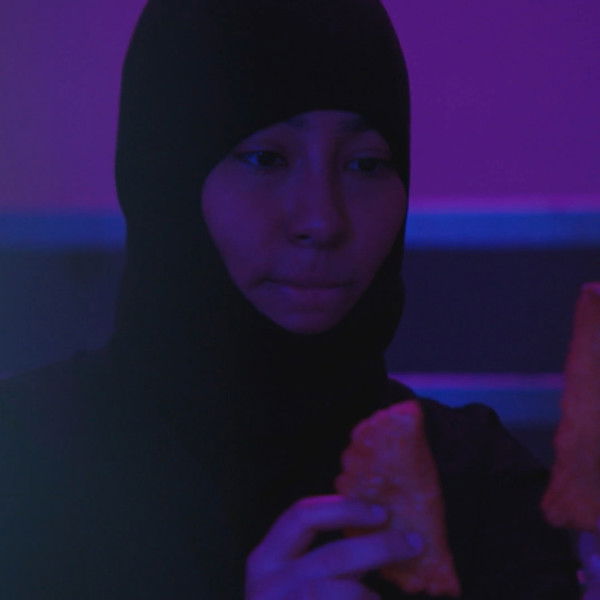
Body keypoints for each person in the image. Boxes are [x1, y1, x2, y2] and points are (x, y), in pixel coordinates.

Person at [0, 0, 582, 597]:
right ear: (165, 181)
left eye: (365, 164)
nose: (322, 220)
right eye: (266, 159)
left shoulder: (477, 480)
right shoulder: (23, 462)